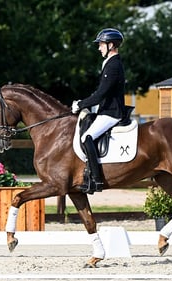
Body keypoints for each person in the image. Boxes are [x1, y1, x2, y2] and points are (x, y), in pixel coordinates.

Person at [71, 28, 126, 194]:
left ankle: (96, 179)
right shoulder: (109, 63)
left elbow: (102, 93)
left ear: (111, 45)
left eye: (101, 44)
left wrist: (81, 104)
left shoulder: (114, 65)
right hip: (106, 110)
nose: (99, 48)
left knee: (87, 137)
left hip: (112, 112)